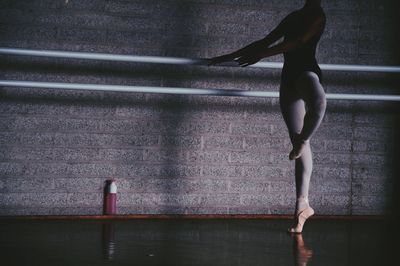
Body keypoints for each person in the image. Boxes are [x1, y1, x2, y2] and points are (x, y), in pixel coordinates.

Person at [208, 0, 326, 233]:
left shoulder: (318, 15)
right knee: (299, 143)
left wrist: (263, 54)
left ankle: (302, 140)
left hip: (306, 72)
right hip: (288, 80)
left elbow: (299, 42)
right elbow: (265, 41)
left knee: (318, 104)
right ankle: (302, 206)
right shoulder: (293, 16)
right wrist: (227, 57)